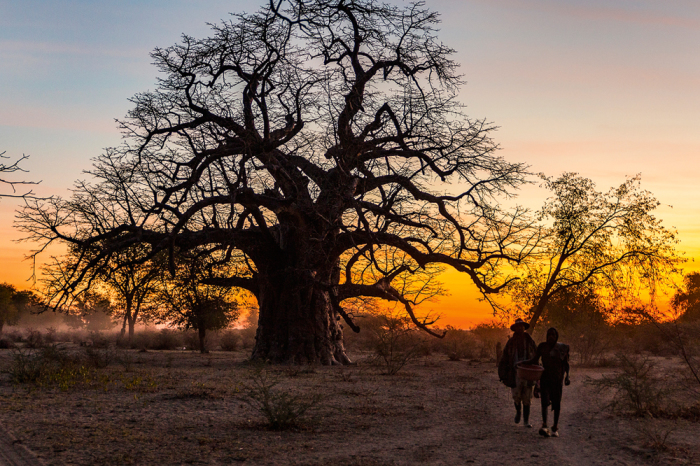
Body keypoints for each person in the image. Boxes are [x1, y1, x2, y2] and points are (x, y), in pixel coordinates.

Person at [525, 327, 570, 438]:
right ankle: (545, 425)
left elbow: (566, 364)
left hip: (557, 379)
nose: (551, 337)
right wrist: (523, 364)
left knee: (557, 403)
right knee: (544, 402)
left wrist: (567, 377)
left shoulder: (562, 348)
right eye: (549, 334)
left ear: (556, 336)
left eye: (553, 335)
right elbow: (534, 360)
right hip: (545, 378)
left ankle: (555, 427)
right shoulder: (542, 347)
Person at [498, 318, 537, 427]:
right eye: (518, 327)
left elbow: (536, 354)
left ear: (524, 328)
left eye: (521, 326)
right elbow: (504, 358)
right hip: (515, 372)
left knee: (527, 397)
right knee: (516, 396)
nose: (520, 328)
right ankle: (518, 412)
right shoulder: (511, 342)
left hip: (528, 372)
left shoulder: (529, 341)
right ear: (515, 329)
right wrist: (502, 374)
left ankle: (526, 421)